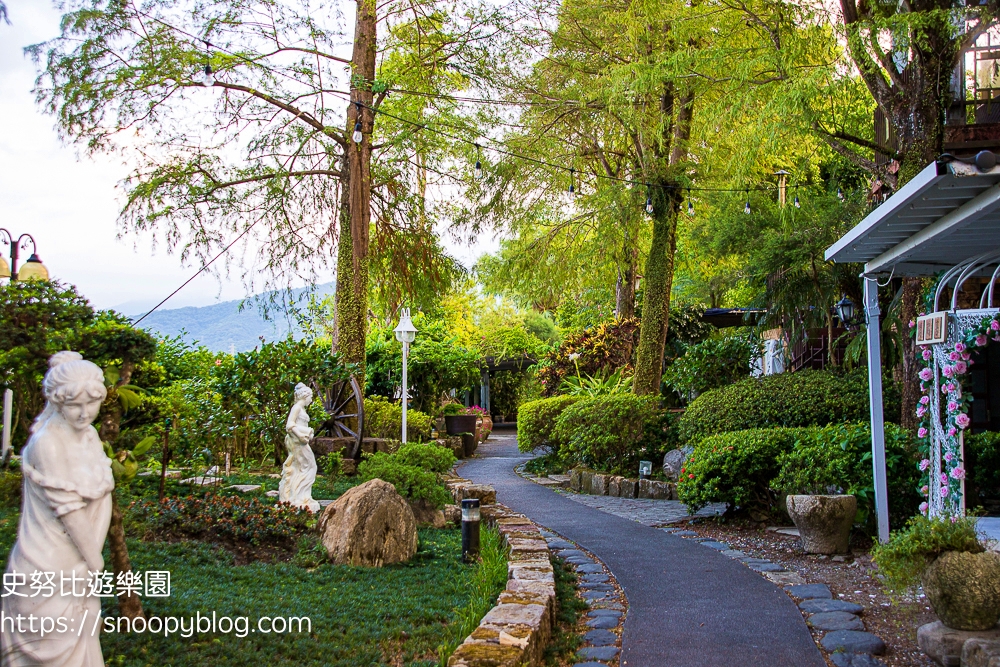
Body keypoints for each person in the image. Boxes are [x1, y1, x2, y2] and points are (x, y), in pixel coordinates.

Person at [2, 352, 114, 667]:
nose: (83, 413)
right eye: (73, 406)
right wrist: (95, 561)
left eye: (90, 404)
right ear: (57, 402)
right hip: (48, 560)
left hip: (81, 560)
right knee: (50, 645)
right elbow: (69, 510)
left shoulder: (90, 436)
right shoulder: (47, 443)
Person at [278, 383, 320, 513]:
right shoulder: (296, 408)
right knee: (309, 466)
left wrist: (308, 433)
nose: (311, 400)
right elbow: (289, 425)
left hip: (301, 441)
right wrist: (301, 436)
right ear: (305, 396)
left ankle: (301, 496)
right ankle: (297, 496)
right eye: (310, 397)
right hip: (296, 441)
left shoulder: (302, 410)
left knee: (304, 467)